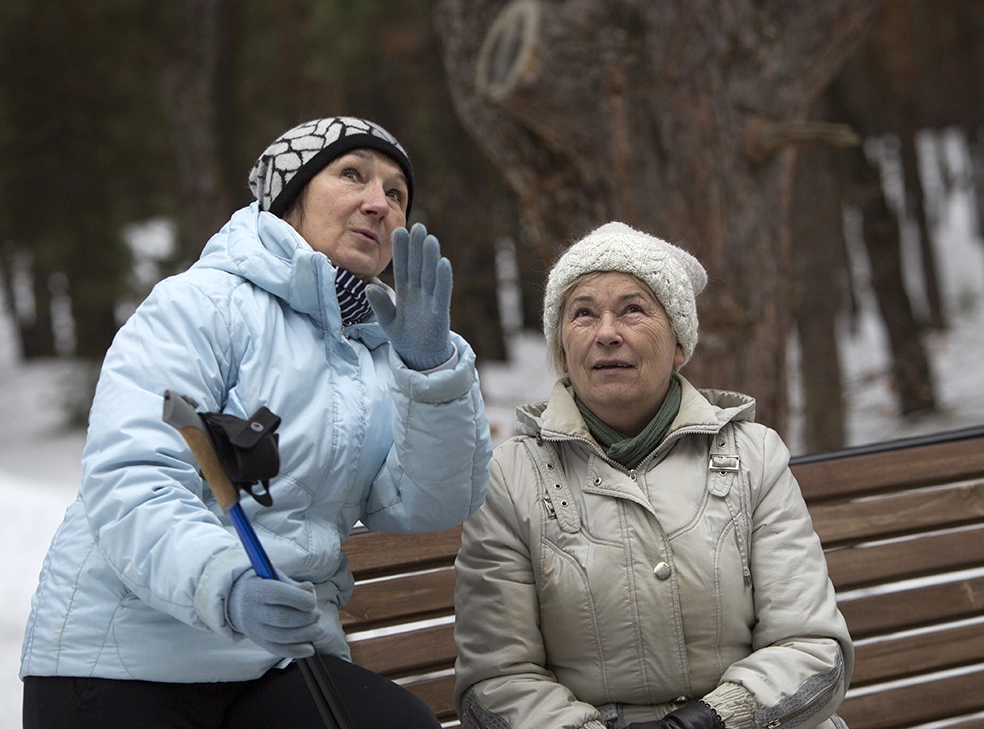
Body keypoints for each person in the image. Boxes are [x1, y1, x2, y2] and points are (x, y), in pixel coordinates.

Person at [20, 116, 492, 728]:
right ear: (289, 198)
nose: (378, 203)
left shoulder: (383, 348)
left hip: (274, 662)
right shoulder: (200, 305)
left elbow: (429, 504)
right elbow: (132, 478)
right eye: (353, 175)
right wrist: (228, 586)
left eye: (397, 193)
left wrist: (431, 374)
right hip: (127, 657)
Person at [452, 222, 852, 729]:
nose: (606, 333)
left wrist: (712, 720)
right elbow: (496, 678)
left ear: (679, 342)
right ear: (561, 350)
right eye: (583, 314)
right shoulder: (510, 479)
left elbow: (811, 645)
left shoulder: (755, 456)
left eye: (633, 309)